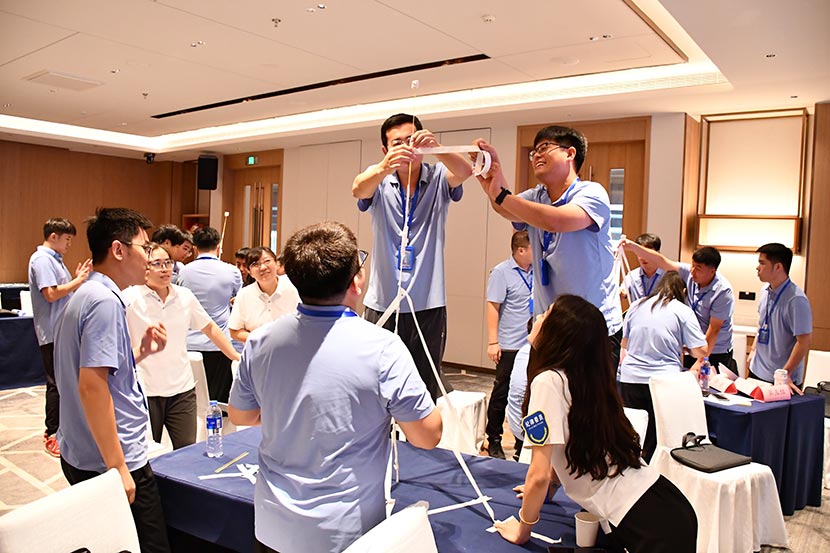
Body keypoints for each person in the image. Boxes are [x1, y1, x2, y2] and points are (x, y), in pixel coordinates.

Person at [229, 221, 442, 553]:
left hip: (273, 525)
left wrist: (287, 413)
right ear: (356, 281)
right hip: (346, 533)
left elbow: (240, 416)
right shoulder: (382, 348)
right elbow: (427, 436)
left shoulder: (261, 341)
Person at [495, 295, 697, 552]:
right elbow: (563, 445)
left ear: (558, 334)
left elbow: (538, 474)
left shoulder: (548, 381)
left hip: (640, 521)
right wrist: (550, 487)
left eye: (547, 315)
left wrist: (522, 530)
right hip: (665, 502)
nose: (539, 318)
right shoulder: (586, 380)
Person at [53, 207, 170, 553]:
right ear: (118, 250)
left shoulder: (87, 294)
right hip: (109, 460)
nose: (149, 258)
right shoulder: (104, 302)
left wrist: (140, 353)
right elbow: (92, 386)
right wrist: (118, 466)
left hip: (83, 452)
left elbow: (96, 371)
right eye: (145, 248)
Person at [475, 126, 624, 364]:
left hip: (592, 327)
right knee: (544, 388)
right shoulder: (537, 196)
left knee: (586, 390)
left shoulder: (592, 193)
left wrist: (500, 195)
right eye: (534, 151)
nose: (537, 155)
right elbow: (506, 208)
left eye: (545, 147)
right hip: (548, 326)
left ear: (570, 153)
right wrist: (494, 174)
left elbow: (556, 221)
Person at [352, 113, 473, 400]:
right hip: (382, 302)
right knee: (376, 382)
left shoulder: (438, 176)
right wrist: (385, 167)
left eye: (412, 140)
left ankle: (418, 431)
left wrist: (437, 147)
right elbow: (358, 188)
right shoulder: (379, 177)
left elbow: (466, 171)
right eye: (398, 143)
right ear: (385, 149)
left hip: (428, 303)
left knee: (424, 386)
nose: (407, 147)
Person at [124, 244, 240, 449]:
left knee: (187, 449)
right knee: (147, 452)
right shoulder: (129, 298)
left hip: (182, 388)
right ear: (145, 267)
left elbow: (210, 328)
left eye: (168, 263)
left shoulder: (184, 296)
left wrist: (236, 357)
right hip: (145, 389)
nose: (164, 269)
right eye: (157, 263)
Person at [619, 271, 708, 461]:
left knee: (633, 430)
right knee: (658, 437)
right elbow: (701, 350)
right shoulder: (681, 310)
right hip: (663, 381)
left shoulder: (637, 305)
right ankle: (654, 473)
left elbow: (625, 343)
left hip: (630, 378)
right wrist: (684, 348)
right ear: (683, 291)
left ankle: (631, 468)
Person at [27, 218, 92, 457]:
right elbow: (51, 294)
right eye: (67, 239)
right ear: (53, 236)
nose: (69, 244)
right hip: (53, 332)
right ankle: (52, 433)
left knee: (65, 382)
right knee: (56, 383)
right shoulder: (42, 259)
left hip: (62, 331)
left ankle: (64, 431)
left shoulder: (54, 260)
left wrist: (75, 280)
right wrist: (78, 281)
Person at [622, 241, 735, 371]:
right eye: (692, 266)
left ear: (712, 271)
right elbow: (662, 262)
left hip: (715, 349)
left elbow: (714, 329)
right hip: (693, 345)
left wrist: (701, 360)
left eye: (698, 268)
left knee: (710, 381)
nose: (693, 271)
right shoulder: (689, 274)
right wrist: (634, 247)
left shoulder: (723, 291)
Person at [178, 226, 242, 402]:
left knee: (193, 399)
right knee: (218, 402)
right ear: (219, 246)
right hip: (220, 344)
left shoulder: (184, 271)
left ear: (195, 247)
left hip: (189, 342)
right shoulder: (232, 271)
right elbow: (238, 299)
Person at [484, 230, 533, 459]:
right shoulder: (501, 272)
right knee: (502, 392)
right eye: (533, 248)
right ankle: (494, 439)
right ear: (521, 250)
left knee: (529, 393)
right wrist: (493, 342)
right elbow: (493, 307)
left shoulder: (537, 270)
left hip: (531, 345)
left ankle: (523, 442)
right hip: (510, 345)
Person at [748, 243, 812, 391]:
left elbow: (804, 341)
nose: (757, 268)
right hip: (757, 370)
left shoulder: (796, 300)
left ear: (778, 267)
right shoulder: (765, 291)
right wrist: (753, 350)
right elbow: (761, 323)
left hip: (781, 378)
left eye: (762, 263)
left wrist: (786, 373)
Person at [228, 246, 300, 343]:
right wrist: (262, 340)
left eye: (267, 261)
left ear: (276, 263)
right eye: (255, 264)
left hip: (292, 347)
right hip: (258, 350)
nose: (263, 267)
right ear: (249, 272)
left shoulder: (294, 286)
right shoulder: (244, 295)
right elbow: (234, 331)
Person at [622, 233, 664, 303]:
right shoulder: (632, 275)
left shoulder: (667, 276)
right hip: (637, 310)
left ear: (658, 253)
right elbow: (623, 291)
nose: (643, 258)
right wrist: (621, 293)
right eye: (640, 253)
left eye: (647, 254)